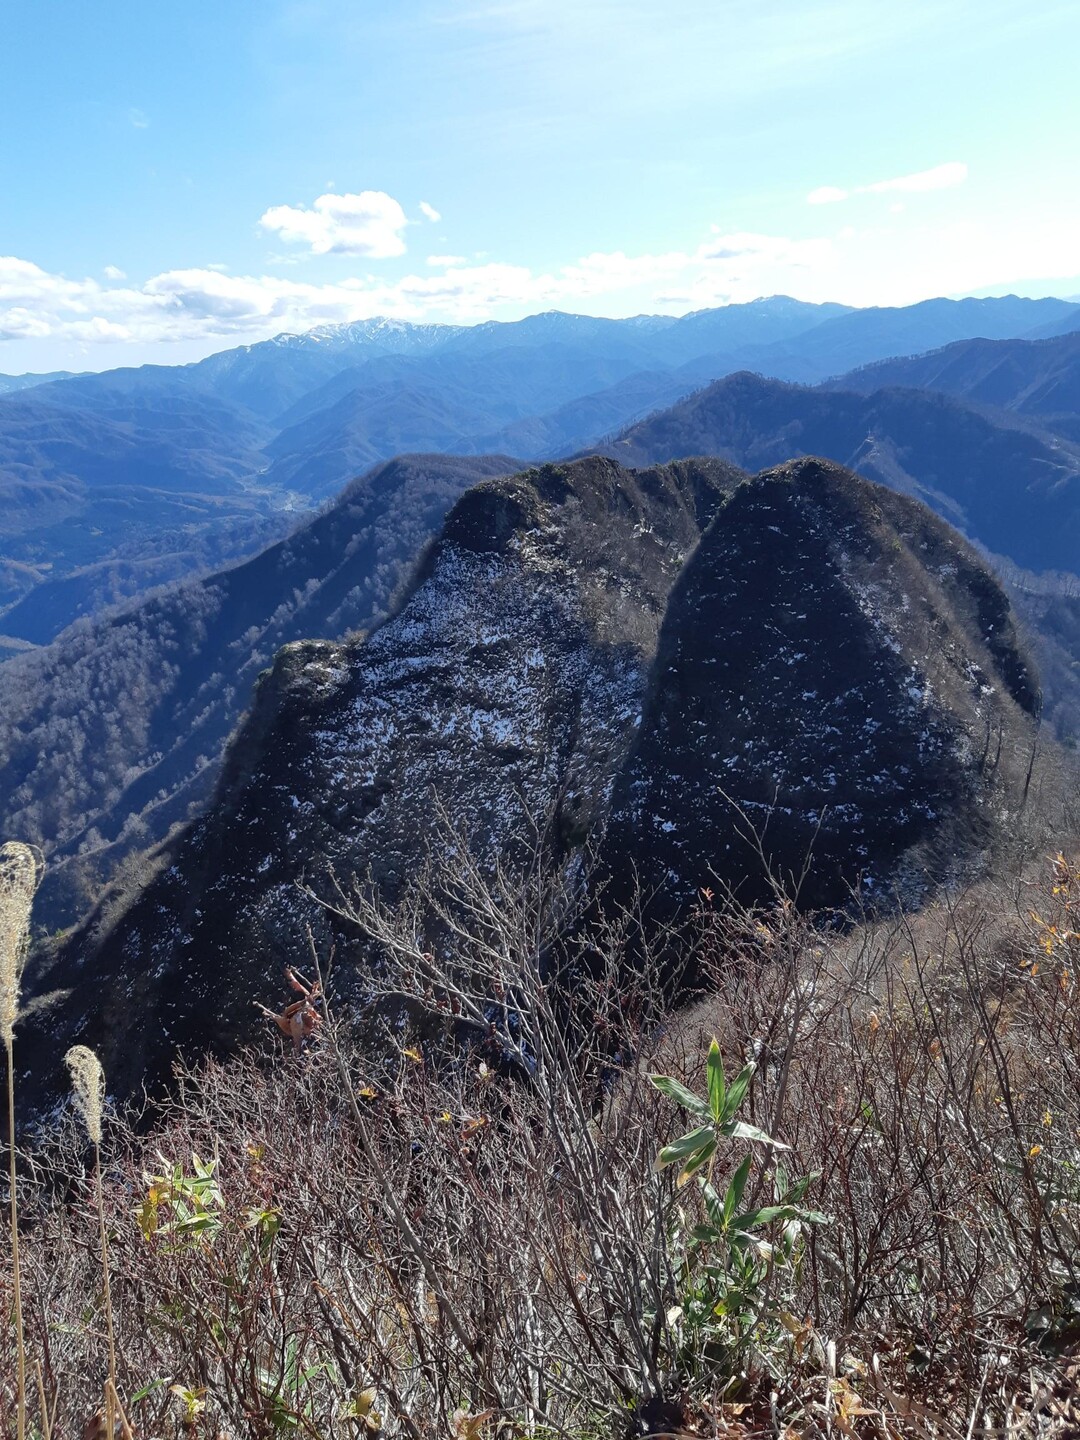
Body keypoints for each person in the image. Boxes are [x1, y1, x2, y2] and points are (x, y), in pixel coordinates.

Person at [255, 967, 324, 1053]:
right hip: (297, 1021)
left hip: (300, 1019)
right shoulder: (297, 1025)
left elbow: (299, 988)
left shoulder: (306, 1017)